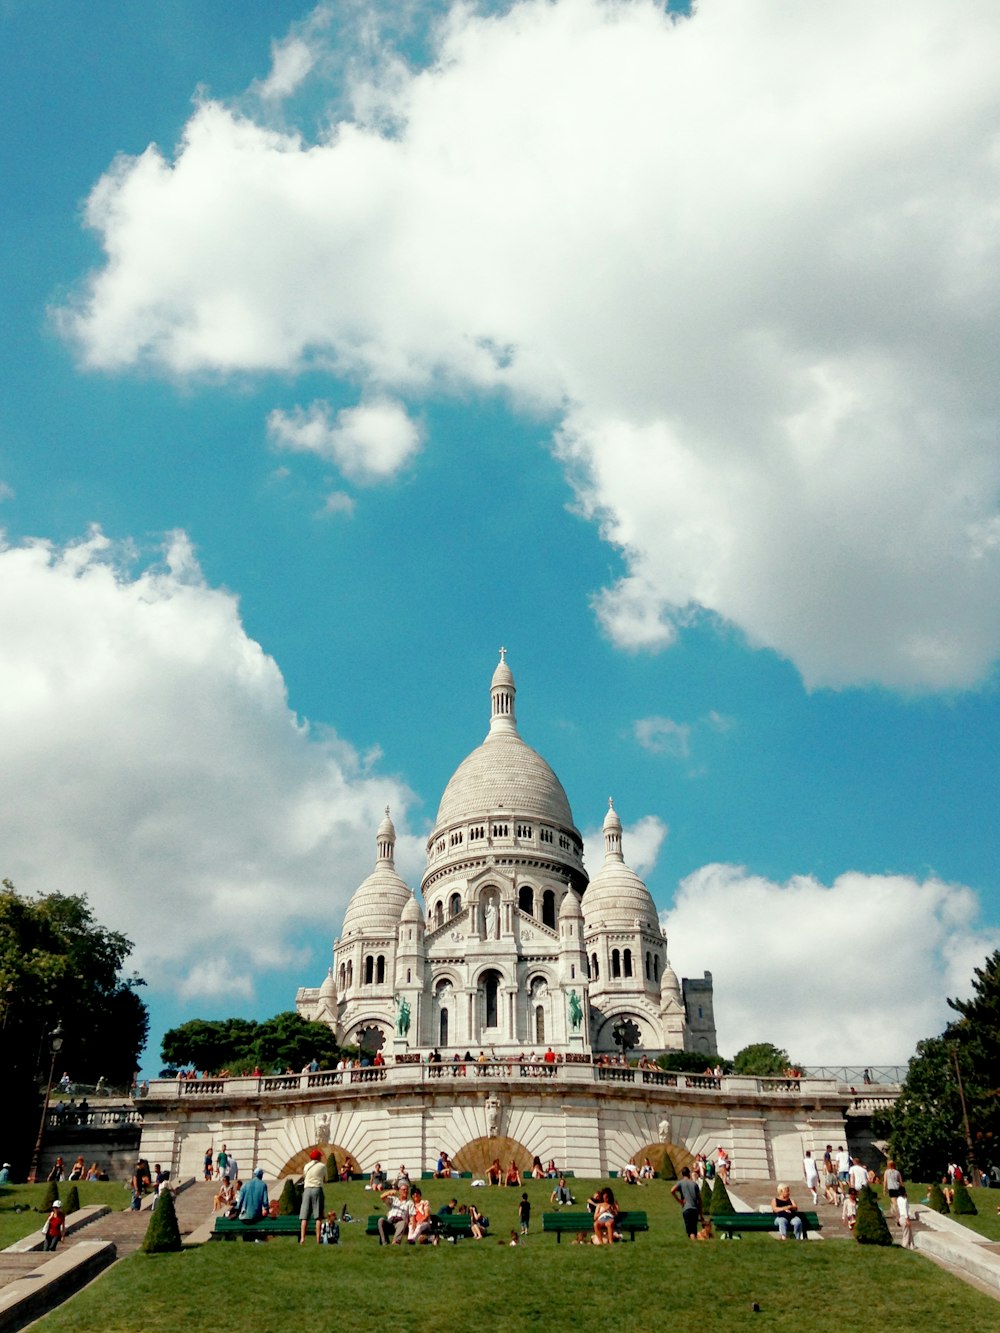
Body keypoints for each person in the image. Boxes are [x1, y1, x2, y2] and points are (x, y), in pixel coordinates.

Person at [300, 1148, 327, 1244]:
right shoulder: (322, 1166)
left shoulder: (306, 1166)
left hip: (307, 1190)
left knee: (304, 1216)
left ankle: (302, 1239)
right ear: (319, 1157)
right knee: (318, 1217)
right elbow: (325, 1178)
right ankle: (318, 1239)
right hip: (317, 1189)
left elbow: (304, 1177)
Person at [671, 1166, 703, 1240]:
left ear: (682, 1174)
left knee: (690, 1231)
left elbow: (672, 1190)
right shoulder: (694, 1184)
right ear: (689, 1173)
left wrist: (680, 1201)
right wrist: (701, 1215)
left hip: (687, 1209)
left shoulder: (681, 1183)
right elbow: (700, 1200)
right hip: (695, 1209)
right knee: (694, 1230)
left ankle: (694, 1246)